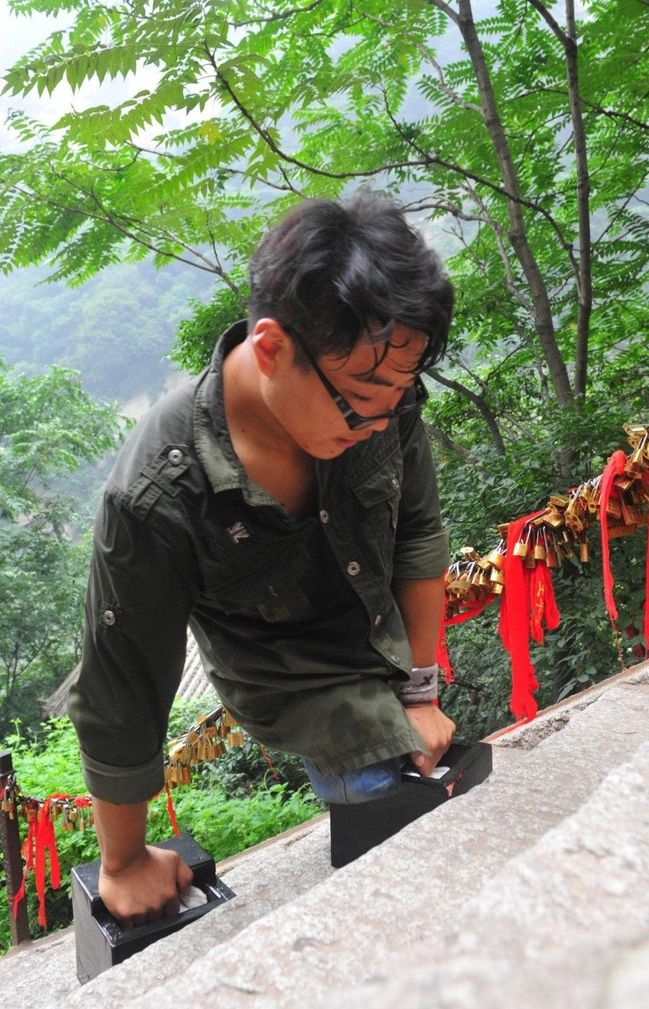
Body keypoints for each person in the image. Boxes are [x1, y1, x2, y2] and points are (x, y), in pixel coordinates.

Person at [68, 191, 456, 928]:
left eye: (399, 393)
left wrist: (421, 689)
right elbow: (123, 689)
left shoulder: (382, 395)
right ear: (273, 347)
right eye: (362, 397)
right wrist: (122, 862)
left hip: (384, 640)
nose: (382, 418)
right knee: (396, 822)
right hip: (284, 672)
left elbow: (417, 536)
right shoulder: (158, 494)